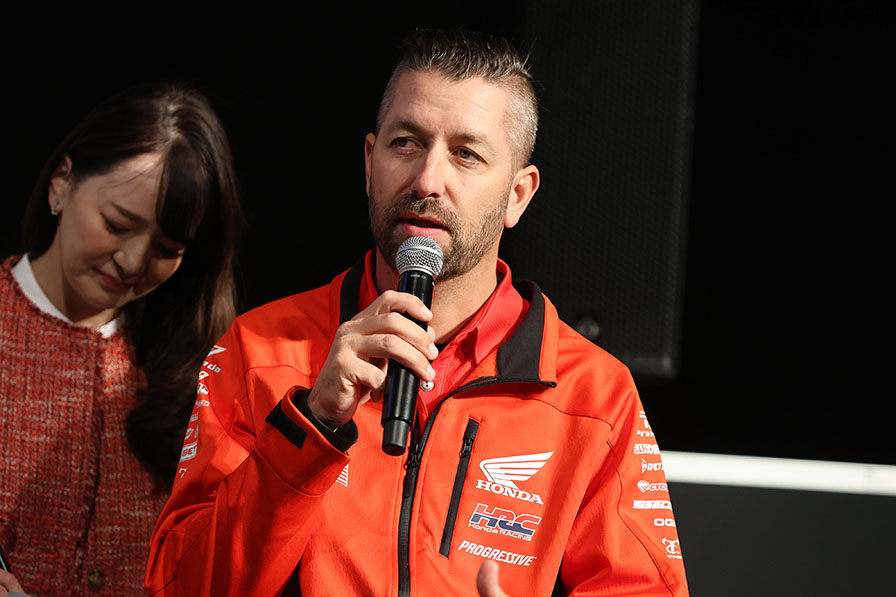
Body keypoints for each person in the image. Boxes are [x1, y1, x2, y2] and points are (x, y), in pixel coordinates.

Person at [146, 29, 689, 596]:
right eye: (406, 143)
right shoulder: (258, 349)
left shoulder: (595, 397)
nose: (428, 180)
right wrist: (312, 422)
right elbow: (179, 587)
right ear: (368, 163)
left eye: (466, 154)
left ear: (518, 196)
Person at [0, 82, 243, 596]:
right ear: (61, 183)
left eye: (166, 248)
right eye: (116, 224)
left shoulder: (202, 366)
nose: (132, 262)